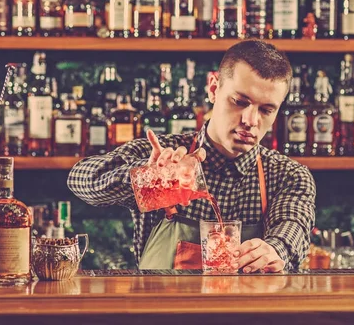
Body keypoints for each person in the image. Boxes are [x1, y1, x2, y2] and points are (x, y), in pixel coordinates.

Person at [68, 40, 316, 273]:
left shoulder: (287, 175)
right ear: (213, 89)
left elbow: (293, 228)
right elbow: (81, 180)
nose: (251, 121)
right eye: (240, 101)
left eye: (266, 110)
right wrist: (148, 176)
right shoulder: (165, 153)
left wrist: (274, 249)